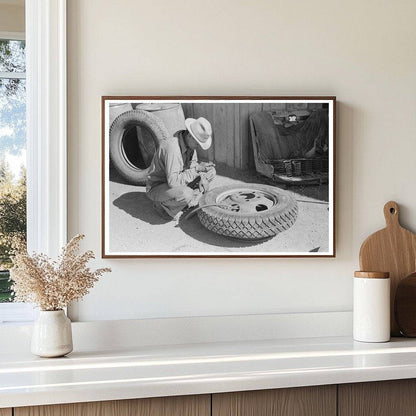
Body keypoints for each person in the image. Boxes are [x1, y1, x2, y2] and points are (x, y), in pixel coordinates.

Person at [146, 117, 216, 222]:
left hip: (177, 181)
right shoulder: (172, 149)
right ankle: (163, 206)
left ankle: (184, 202)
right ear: (189, 136)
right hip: (159, 187)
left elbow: (192, 165)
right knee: (186, 194)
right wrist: (197, 170)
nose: (198, 147)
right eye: (197, 143)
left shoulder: (189, 144)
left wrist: (201, 175)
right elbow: (173, 182)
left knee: (210, 172)